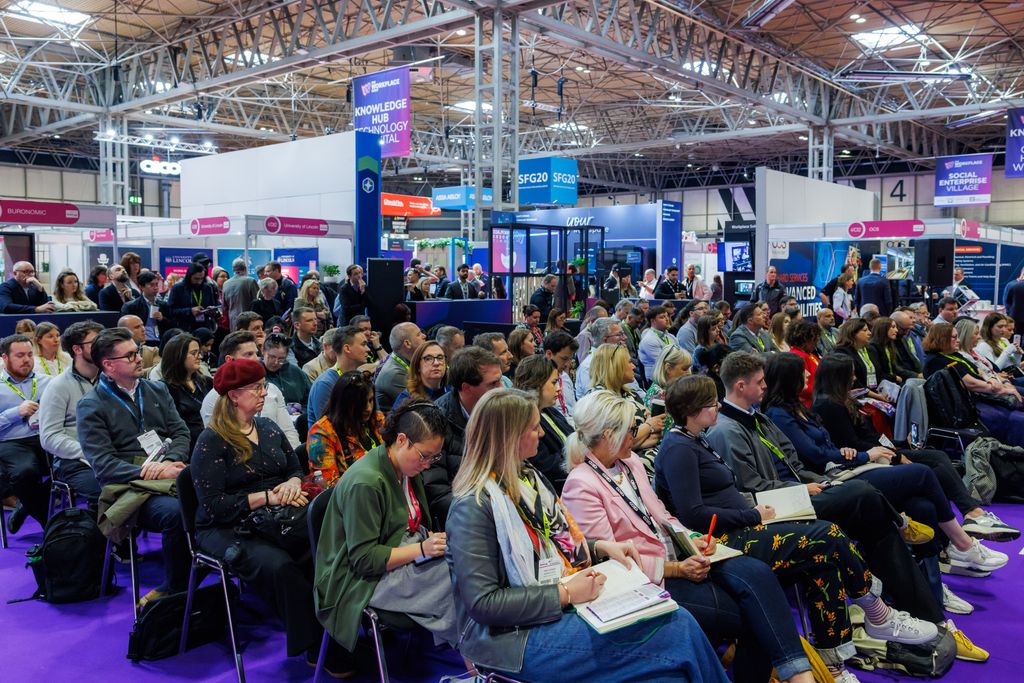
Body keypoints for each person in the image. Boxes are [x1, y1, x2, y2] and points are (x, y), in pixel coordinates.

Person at [656, 375, 938, 680]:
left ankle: (833, 666)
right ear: (693, 409)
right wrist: (752, 515)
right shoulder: (679, 448)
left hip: (744, 524)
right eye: (712, 403)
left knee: (823, 564)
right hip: (724, 541)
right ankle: (877, 611)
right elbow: (694, 514)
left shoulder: (695, 439)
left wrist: (753, 512)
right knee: (829, 534)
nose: (718, 407)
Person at [445, 387, 729, 683]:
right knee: (677, 627)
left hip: (552, 608)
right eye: (533, 427)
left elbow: (558, 546)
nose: (541, 433)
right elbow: (484, 603)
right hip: (510, 640)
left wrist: (599, 548)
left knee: (672, 660)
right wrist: (565, 593)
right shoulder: (472, 507)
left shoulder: (528, 478)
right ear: (510, 438)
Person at [563, 390, 814, 683]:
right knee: (752, 615)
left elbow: (662, 515)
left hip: (679, 555)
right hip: (650, 579)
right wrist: (676, 569)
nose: (638, 434)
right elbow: (613, 563)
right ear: (609, 435)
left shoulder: (629, 464)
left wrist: (692, 538)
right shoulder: (581, 484)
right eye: (632, 428)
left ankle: (799, 675)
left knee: (758, 573)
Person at [703, 352, 952, 630]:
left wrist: (823, 483)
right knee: (864, 493)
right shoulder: (726, 431)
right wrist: (804, 488)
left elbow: (795, 463)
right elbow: (753, 487)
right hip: (775, 507)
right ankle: (897, 604)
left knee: (902, 512)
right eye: (760, 382)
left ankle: (924, 614)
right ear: (740, 386)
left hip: (801, 492)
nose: (765, 386)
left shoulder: (758, 418)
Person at [766, 353, 1007, 573]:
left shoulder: (801, 407)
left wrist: (869, 450)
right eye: (803, 372)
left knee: (923, 504)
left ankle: (940, 567)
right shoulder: (786, 412)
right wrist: (865, 455)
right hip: (836, 476)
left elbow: (832, 446)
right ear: (789, 378)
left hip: (847, 464)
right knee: (924, 472)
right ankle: (964, 541)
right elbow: (817, 454)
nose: (809, 374)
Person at [190, 359, 349, 673]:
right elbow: (214, 506)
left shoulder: (267, 427)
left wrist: (292, 484)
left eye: (263, 386)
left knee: (319, 551)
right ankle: (317, 646)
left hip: (276, 514)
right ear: (234, 395)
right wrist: (267, 497)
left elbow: (294, 468)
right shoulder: (212, 441)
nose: (265, 393)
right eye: (256, 388)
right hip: (226, 526)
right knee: (282, 567)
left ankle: (339, 629)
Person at [314, 400, 461, 660]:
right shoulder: (366, 483)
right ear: (402, 440)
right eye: (425, 456)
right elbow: (364, 560)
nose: (428, 464)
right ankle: (478, 664)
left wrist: (427, 542)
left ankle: (478, 660)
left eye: (434, 457)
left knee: (466, 563)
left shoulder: (405, 466)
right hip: (359, 579)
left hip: (400, 551)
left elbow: (408, 523)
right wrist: (422, 549)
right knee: (462, 580)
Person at [77, 327, 191, 605]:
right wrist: (149, 471)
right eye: (130, 355)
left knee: (215, 497)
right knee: (178, 513)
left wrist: (167, 462)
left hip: (168, 472)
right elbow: (103, 464)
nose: (139, 358)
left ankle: (203, 570)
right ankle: (175, 588)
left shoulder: (157, 389)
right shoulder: (91, 405)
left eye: (137, 351)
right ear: (108, 365)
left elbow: (181, 433)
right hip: (128, 488)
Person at [422, 346, 503, 523]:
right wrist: (486, 515)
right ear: (466, 388)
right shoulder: (434, 423)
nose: (502, 389)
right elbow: (437, 494)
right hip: (469, 518)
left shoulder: (500, 410)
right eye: (493, 384)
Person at [37, 321, 105, 506]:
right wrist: (89, 451)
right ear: (77, 349)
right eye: (96, 342)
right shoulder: (58, 386)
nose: (103, 347)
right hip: (74, 460)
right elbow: (49, 437)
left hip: (112, 453)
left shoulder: (111, 379)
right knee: (109, 489)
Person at [199, 331, 301, 449]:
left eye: (256, 354)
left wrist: (294, 456)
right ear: (230, 360)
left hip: (277, 454)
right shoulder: (215, 398)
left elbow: (288, 431)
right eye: (248, 354)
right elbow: (216, 443)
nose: (256, 359)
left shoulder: (271, 389)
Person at [0, 334, 52, 534]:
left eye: (30, 355)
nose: (27, 360)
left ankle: (25, 504)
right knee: (25, 473)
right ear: (5, 358)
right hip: (11, 441)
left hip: (45, 437)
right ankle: (51, 526)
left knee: (72, 466)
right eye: (20, 355)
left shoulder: (48, 382)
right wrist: (15, 413)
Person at [589, 344, 664, 476]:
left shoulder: (630, 394)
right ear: (615, 366)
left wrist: (638, 439)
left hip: (651, 457)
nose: (634, 366)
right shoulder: (599, 400)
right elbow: (615, 444)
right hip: (627, 468)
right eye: (629, 362)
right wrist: (649, 426)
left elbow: (655, 436)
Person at [307, 370, 384, 486]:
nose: (368, 408)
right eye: (361, 403)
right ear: (345, 403)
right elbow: (329, 484)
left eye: (370, 400)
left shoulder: (377, 419)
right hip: (351, 492)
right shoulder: (322, 432)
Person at [513, 355, 572, 494]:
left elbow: (574, 437)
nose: (558, 388)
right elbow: (547, 466)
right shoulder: (524, 421)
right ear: (536, 383)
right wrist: (581, 462)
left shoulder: (549, 411)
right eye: (554, 383)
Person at [308, 325, 372, 425]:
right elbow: (330, 428)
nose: (368, 349)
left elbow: (375, 418)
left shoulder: (362, 378)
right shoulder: (325, 384)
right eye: (363, 344)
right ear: (347, 348)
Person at [159, 332, 212, 452]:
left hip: (212, 437)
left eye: (199, 352)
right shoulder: (164, 388)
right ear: (178, 356)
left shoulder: (207, 382)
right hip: (187, 445)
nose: (200, 357)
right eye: (194, 353)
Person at [832, 318, 889, 402]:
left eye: (869, 330)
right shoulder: (842, 352)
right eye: (865, 330)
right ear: (852, 333)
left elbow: (880, 373)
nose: (869, 333)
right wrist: (876, 396)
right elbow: (852, 382)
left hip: (875, 393)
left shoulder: (870, 349)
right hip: (856, 397)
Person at [375, 322, 426, 412]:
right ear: (407, 343)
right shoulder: (395, 374)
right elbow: (421, 406)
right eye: (418, 334)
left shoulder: (404, 358)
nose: (424, 336)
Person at [262, 333, 311, 410]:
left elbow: (310, 400)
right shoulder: (255, 374)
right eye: (272, 357)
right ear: (263, 351)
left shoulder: (296, 372)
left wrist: (301, 411)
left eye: (281, 359)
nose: (276, 362)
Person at [392, 340, 449, 407]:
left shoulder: (453, 391)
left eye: (440, 358)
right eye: (428, 359)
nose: (436, 363)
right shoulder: (406, 399)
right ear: (418, 366)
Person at [167, 262, 219, 333]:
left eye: (201, 278)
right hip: (185, 329)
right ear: (189, 276)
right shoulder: (178, 288)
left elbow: (213, 305)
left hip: (205, 328)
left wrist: (211, 311)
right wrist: (190, 311)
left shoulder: (207, 288)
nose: (199, 282)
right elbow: (171, 311)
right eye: (196, 279)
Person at [120, 270, 169, 344]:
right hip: (141, 341)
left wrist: (162, 319)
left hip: (161, 341)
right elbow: (125, 328)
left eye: (156, 284)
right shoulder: (131, 306)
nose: (155, 288)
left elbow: (173, 324)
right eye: (151, 285)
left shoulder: (164, 305)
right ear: (141, 287)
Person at [543, 330, 579, 420]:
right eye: (564, 359)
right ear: (549, 354)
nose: (568, 364)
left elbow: (573, 408)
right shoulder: (541, 380)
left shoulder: (564, 377)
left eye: (570, 359)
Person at [638, 305, 679, 381]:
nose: (667, 319)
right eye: (662, 317)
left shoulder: (671, 336)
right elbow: (663, 362)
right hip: (656, 380)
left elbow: (680, 354)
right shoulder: (649, 339)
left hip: (670, 374)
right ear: (653, 321)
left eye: (667, 316)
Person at [222, 258, 260, 330]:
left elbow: (224, 307)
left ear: (233, 269)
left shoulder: (226, 283)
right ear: (245, 268)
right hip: (249, 321)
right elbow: (258, 302)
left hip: (233, 322)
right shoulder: (250, 281)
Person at [866, 316, 904, 386]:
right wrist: (894, 378)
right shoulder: (872, 347)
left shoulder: (888, 345)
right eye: (893, 327)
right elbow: (878, 373)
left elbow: (894, 368)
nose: (896, 330)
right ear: (883, 329)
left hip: (892, 382)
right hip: (882, 384)